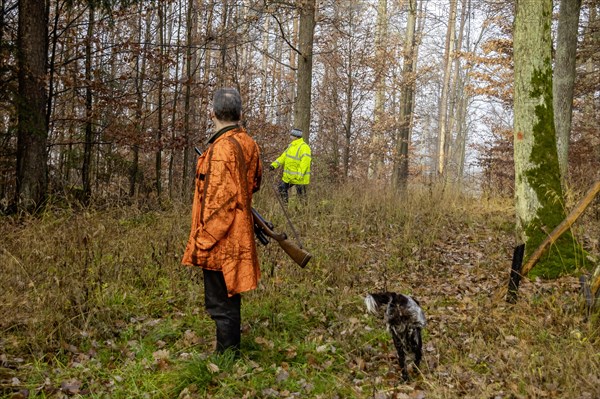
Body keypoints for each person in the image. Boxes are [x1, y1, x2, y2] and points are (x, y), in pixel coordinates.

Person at [182, 88, 262, 357]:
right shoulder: (248, 143)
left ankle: (227, 357)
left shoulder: (220, 149)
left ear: (212, 113)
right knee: (229, 297)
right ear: (240, 114)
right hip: (238, 234)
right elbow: (254, 183)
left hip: (221, 239)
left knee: (220, 302)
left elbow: (221, 205)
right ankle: (229, 351)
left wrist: (203, 240)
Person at [269, 128, 312, 203]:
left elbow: (305, 162)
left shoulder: (304, 147)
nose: (290, 137)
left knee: (302, 197)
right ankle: (286, 207)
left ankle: (305, 212)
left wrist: (299, 175)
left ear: (296, 136)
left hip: (299, 178)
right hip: (289, 177)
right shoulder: (291, 146)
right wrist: (273, 165)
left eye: (292, 135)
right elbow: (283, 157)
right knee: (281, 188)